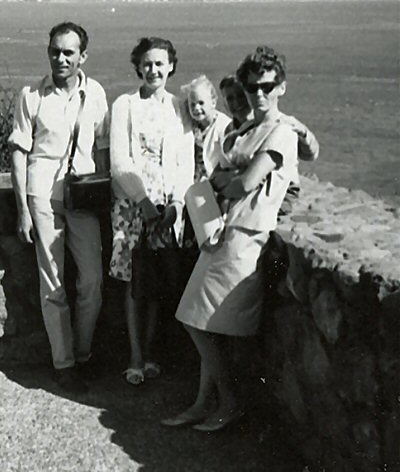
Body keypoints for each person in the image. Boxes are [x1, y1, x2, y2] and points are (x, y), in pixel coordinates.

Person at [162, 46, 297, 431]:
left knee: (200, 322)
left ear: (281, 88)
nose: (258, 94)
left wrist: (225, 181)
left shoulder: (281, 133)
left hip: (246, 240)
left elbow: (243, 184)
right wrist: (225, 181)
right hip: (226, 232)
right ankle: (206, 403)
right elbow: (226, 178)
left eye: (266, 86)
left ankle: (229, 402)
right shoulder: (250, 130)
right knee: (201, 321)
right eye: (251, 86)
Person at [8, 22, 110, 394]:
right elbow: (19, 153)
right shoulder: (31, 95)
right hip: (43, 194)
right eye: (55, 50)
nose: (61, 58)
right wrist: (22, 210)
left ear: (83, 55)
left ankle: (82, 353)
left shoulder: (95, 93)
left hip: (83, 195)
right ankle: (64, 364)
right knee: (53, 282)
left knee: (93, 282)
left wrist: (104, 196)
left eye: (69, 52)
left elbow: (101, 150)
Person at [109, 37, 195, 385]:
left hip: (167, 211)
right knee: (133, 283)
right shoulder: (124, 105)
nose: (153, 69)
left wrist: (176, 203)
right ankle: (135, 356)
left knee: (156, 282)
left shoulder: (179, 107)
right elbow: (119, 161)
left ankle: (153, 352)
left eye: (160, 63)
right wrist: (142, 201)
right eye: (147, 63)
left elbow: (186, 161)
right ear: (137, 67)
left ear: (171, 66)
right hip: (132, 207)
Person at [218, 73, 319, 214]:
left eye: (241, 96)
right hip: (247, 188)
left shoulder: (275, 124)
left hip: (278, 191)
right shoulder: (230, 131)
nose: (236, 103)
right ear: (224, 103)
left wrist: (303, 131)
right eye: (230, 98)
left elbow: (311, 154)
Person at [182, 75, 231, 182]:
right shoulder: (191, 125)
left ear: (213, 102)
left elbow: (228, 159)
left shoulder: (223, 126)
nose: (196, 108)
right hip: (194, 180)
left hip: (216, 180)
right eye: (192, 104)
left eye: (201, 103)